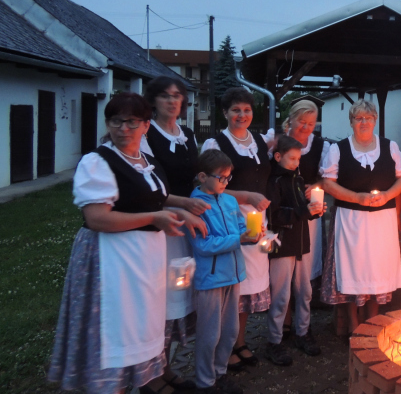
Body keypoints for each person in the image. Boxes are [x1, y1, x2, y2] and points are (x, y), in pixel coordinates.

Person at [48, 93, 206, 394]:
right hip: (110, 262)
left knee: (138, 330)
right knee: (115, 334)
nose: (123, 128)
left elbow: (150, 198)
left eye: (132, 122)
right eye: (116, 121)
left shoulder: (145, 161)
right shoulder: (97, 162)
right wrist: (156, 218)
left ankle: (146, 381)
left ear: (146, 125)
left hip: (142, 261)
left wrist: (182, 209)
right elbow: (97, 219)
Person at [141, 76, 209, 393]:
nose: (173, 101)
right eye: (166, 96)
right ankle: (149, 378)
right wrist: (183, 205)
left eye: (177, 96)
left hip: (186, 225)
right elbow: (151, 187)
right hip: (163, 224)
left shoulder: (187, 135)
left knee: (178, 296)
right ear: (153, 100)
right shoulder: (146, 134)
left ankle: (165, 368)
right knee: (160, 299)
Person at [320, 99, 401, 333]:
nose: (364, 122)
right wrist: (356, 197)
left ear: (375, 120)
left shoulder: (390, 147)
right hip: (351, 220)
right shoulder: (338, 149)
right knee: (353, 269)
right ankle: (354, 325)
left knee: (377, 269)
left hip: (382, 220)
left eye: (368, 118)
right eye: (358, 118)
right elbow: (328, 184)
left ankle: (373, 324)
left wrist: (388, 194)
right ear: (351, 122)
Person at [201, 87, 271, 370]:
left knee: (249, 286)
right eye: (236, 110)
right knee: (232, 286)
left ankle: (239, 342)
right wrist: (247, 197)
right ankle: (224, 348)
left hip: (256, 220)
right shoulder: (215, 144)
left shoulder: (261, 142)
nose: (242, 115)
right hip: (228, 221)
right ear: (225, 113)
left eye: (247, 110)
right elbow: (207, 189)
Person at [189, 150, 256, 394]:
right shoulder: (196, 206)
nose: (226, 183)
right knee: (210, 334)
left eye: (229, 178)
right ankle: (205, 382)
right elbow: (203, 246)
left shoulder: (228, 200)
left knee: (230, 331)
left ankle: (220, 373)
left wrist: (250, 233)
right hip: (211, 278)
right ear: (202, 177)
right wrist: (238, 239)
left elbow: (240, 225)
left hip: (234, 274)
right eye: (222, 178)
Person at [264, 99, 330, 333]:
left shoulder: (318, 147)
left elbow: (327, 179)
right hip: (282, 225)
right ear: (290, 119)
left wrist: (316, 197)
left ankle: (302, 329)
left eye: (311, 123)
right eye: (302, 122)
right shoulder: (274, 144)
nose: (306, 127)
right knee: (281, 286)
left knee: (304, 283)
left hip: (304, 224)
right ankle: (279, 332)